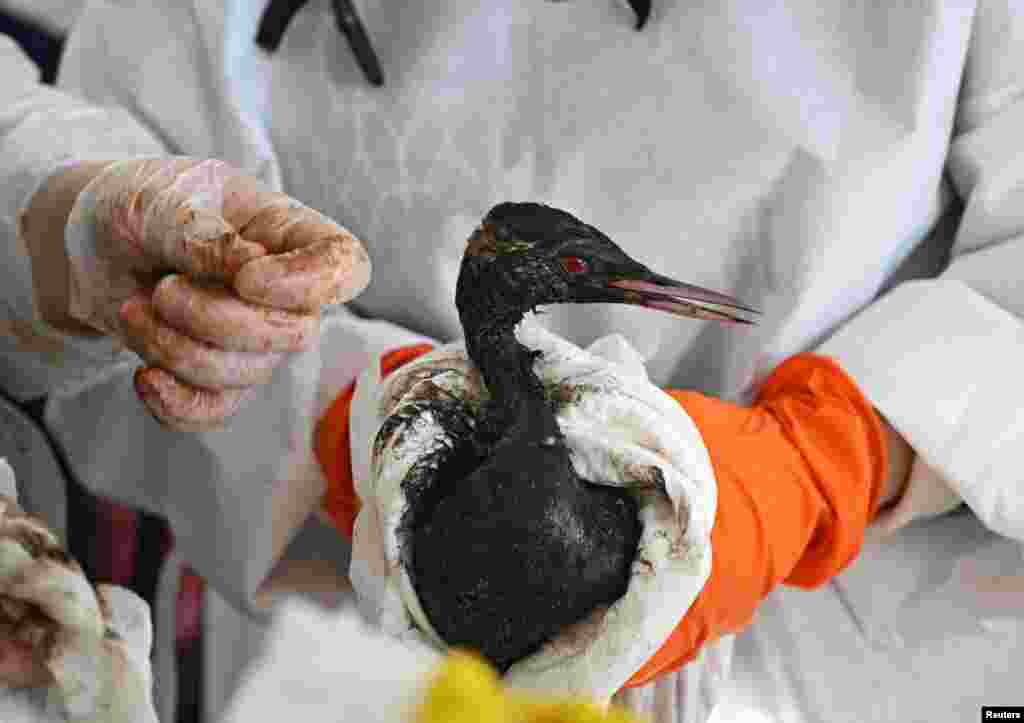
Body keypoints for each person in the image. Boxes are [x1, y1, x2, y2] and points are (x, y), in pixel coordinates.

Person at [1, 0, 1022, 721]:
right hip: (362, 647)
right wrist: (340, 413)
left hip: (859, 650)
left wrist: (828, 458)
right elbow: (110, 318)